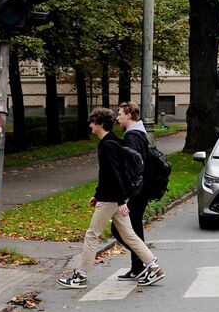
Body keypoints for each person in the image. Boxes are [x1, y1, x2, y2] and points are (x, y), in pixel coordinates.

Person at [58, 108, 163, 289]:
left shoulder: (107, 145)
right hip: (111, 197)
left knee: (92, 235)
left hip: (112, 199)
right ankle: (153, 267)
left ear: (100, 123)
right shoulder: (113, 141)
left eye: (92, 122)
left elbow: (115, 174)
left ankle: (81, 276)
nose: (90, 125)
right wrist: (97, 195)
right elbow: (106, 175)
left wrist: (120, 201)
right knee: (129, 235)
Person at [110, 102, 152, 281]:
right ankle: (138, 267)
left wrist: (125, 194)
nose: (117, 117)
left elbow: (132, 168)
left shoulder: (132, 137)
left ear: (129, 115)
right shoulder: (139, 134)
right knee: (133, 228)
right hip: (142, 190)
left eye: (119, 114)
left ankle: (144, 263)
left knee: (119, 229)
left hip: (135, 192)